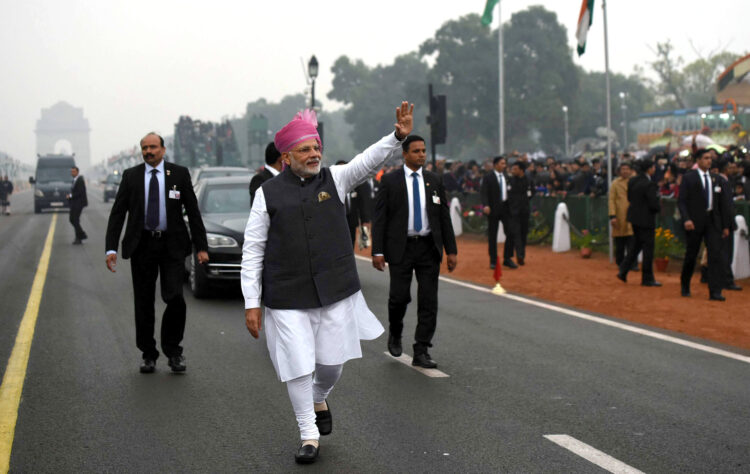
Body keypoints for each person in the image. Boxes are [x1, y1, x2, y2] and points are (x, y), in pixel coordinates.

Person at [241, 102, 413, 464]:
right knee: (298, 364)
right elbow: (253, 250)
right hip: (286, 295)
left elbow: (367, 161)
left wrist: (396, 137)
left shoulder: (336, 179)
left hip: (334, 291)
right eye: (305, 149)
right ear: (287, 157)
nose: (314, 154)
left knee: (331, 364)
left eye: (316, 147)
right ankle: (308, 434)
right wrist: (251, 303)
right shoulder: (267, 193)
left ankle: (320, 395)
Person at [105, 132, 209, 373]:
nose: (148, 152)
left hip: (171, 246)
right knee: (143, 302)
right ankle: (148, 353)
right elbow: (118, 213)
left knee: (174, 298)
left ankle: (173, 351)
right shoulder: (131, 177)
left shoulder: (179, 174)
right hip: (141, 246)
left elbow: (193, 212)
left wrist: (201, 247)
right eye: (144, 148)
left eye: (153, 147)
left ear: (163, 150)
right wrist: (111, 247)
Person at [371, 135, 458, 370]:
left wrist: (451, 250)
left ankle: (422, 349)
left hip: (428, 247)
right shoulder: (390, 181)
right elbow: (380, 218)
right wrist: (377, 250)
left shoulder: (434, 180)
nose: (422, 155)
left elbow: (443, 217)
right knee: (399, 297)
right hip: (401, 247)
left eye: (424, 151)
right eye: (417, 151)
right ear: (405, 154)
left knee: (429, 300)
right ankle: (396, 332)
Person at [678, 149, 732, 301]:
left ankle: (715, 291)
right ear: (699, 161)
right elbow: (681, 201)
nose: (709, 161)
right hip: (694, 222)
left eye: (710, 158)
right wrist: (686, 219)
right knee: (691, 255)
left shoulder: (716, 179)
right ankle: (685, 285)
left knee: (715, 255)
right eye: (706, 158)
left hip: (713, 222)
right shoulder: (689, 178)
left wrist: (725, 225)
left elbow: (722, 204)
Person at [617, 159, 661, 286]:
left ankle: (623, 270)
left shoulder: (632, 181)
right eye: (653, 167)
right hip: (646, 220)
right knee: (648, 249)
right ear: (649, 169)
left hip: (634, 218)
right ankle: (647, 278)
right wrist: (657, 207)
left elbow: (630, 198)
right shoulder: (649, 184)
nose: (654, 169)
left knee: (636, 246)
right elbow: (654, 204)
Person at [480, 156, 515, 269]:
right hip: (493, 208)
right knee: (492, 235)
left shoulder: (507, 177)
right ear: (495, 165)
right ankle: (493, 260)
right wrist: (485, 205)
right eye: (502, 163)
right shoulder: (488, 177)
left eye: (505, 163)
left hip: (505, 208)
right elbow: (483, 192)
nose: (504, 166)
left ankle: (507, 258)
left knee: (510, 232)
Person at [335, 160, 373, 247]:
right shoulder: (331, 186)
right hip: (335, 222)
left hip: (351, 221)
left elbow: (363, 204)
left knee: (350, 244)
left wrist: (365, 221)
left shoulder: (356, 184)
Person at [506, 160, 533, 265]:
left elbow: (531, 192)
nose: (513, 171)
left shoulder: (528, 181)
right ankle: (519, 254)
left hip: (524, 211)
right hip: (514, 212)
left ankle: (522, 254)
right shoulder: (511, 181)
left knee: (523, 233)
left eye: (515, 169)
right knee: (516, 233)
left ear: (521, 170)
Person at [608, 162, 635, 267]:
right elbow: (611, 200)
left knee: (632, 241)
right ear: (619, 171)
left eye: (627, 169)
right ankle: (620, 262)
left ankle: (633, 263)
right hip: (619, 216)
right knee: (620, 243)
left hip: (633, 215)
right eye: (623, 169)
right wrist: (612, 215)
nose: (625, 171)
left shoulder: (634, 181)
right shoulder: (615, 183)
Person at [66, 166, 88, 244]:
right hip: (75, 203)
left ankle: (79, 237)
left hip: (79, 203)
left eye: (74, 172)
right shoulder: (75, 180)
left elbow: (80, 192)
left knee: (74, 220)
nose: (72, 173)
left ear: (77, 172)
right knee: (73, 219)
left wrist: (71, 196)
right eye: (71, 172)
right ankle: (81, 235)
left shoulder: (80, 180)